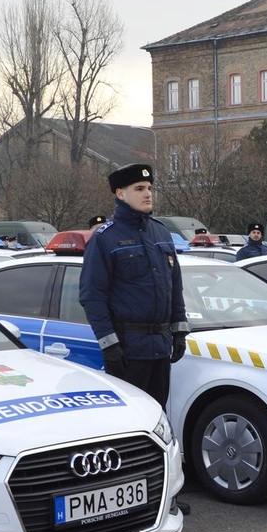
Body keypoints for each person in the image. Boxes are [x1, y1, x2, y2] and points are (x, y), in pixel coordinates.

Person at [79, 163, 188, 410]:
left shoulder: (161, 233)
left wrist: (179, 331)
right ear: (120, 194)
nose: (148, 193)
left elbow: (175, 285)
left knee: (156, 416)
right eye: (139, 188)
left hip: (160, 349)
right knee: (128, 421)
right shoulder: (105, 238)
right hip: (128, 351)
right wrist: (111, 345)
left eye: (149, 187)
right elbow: (92, 296)